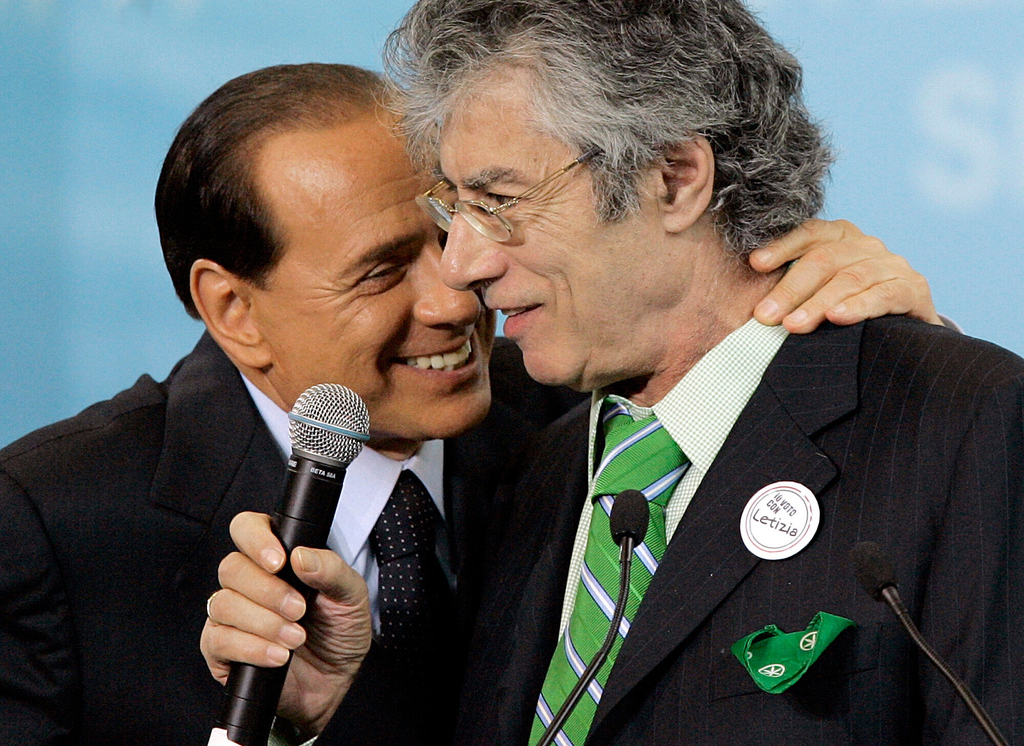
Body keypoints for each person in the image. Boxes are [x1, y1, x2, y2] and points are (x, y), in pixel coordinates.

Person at [207, 0, 1024, 746]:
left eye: (500, 202)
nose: (459, 267)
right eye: (452, 207)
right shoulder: (538, 461)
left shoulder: (965, 430)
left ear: (674, 179)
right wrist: (325, 715)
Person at [0, 61, 925, 746]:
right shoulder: (59, 521)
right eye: (378, 273)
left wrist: (891, 345)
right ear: (234, 310)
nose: (455, 293)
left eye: (452, 231)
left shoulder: (585, 420)